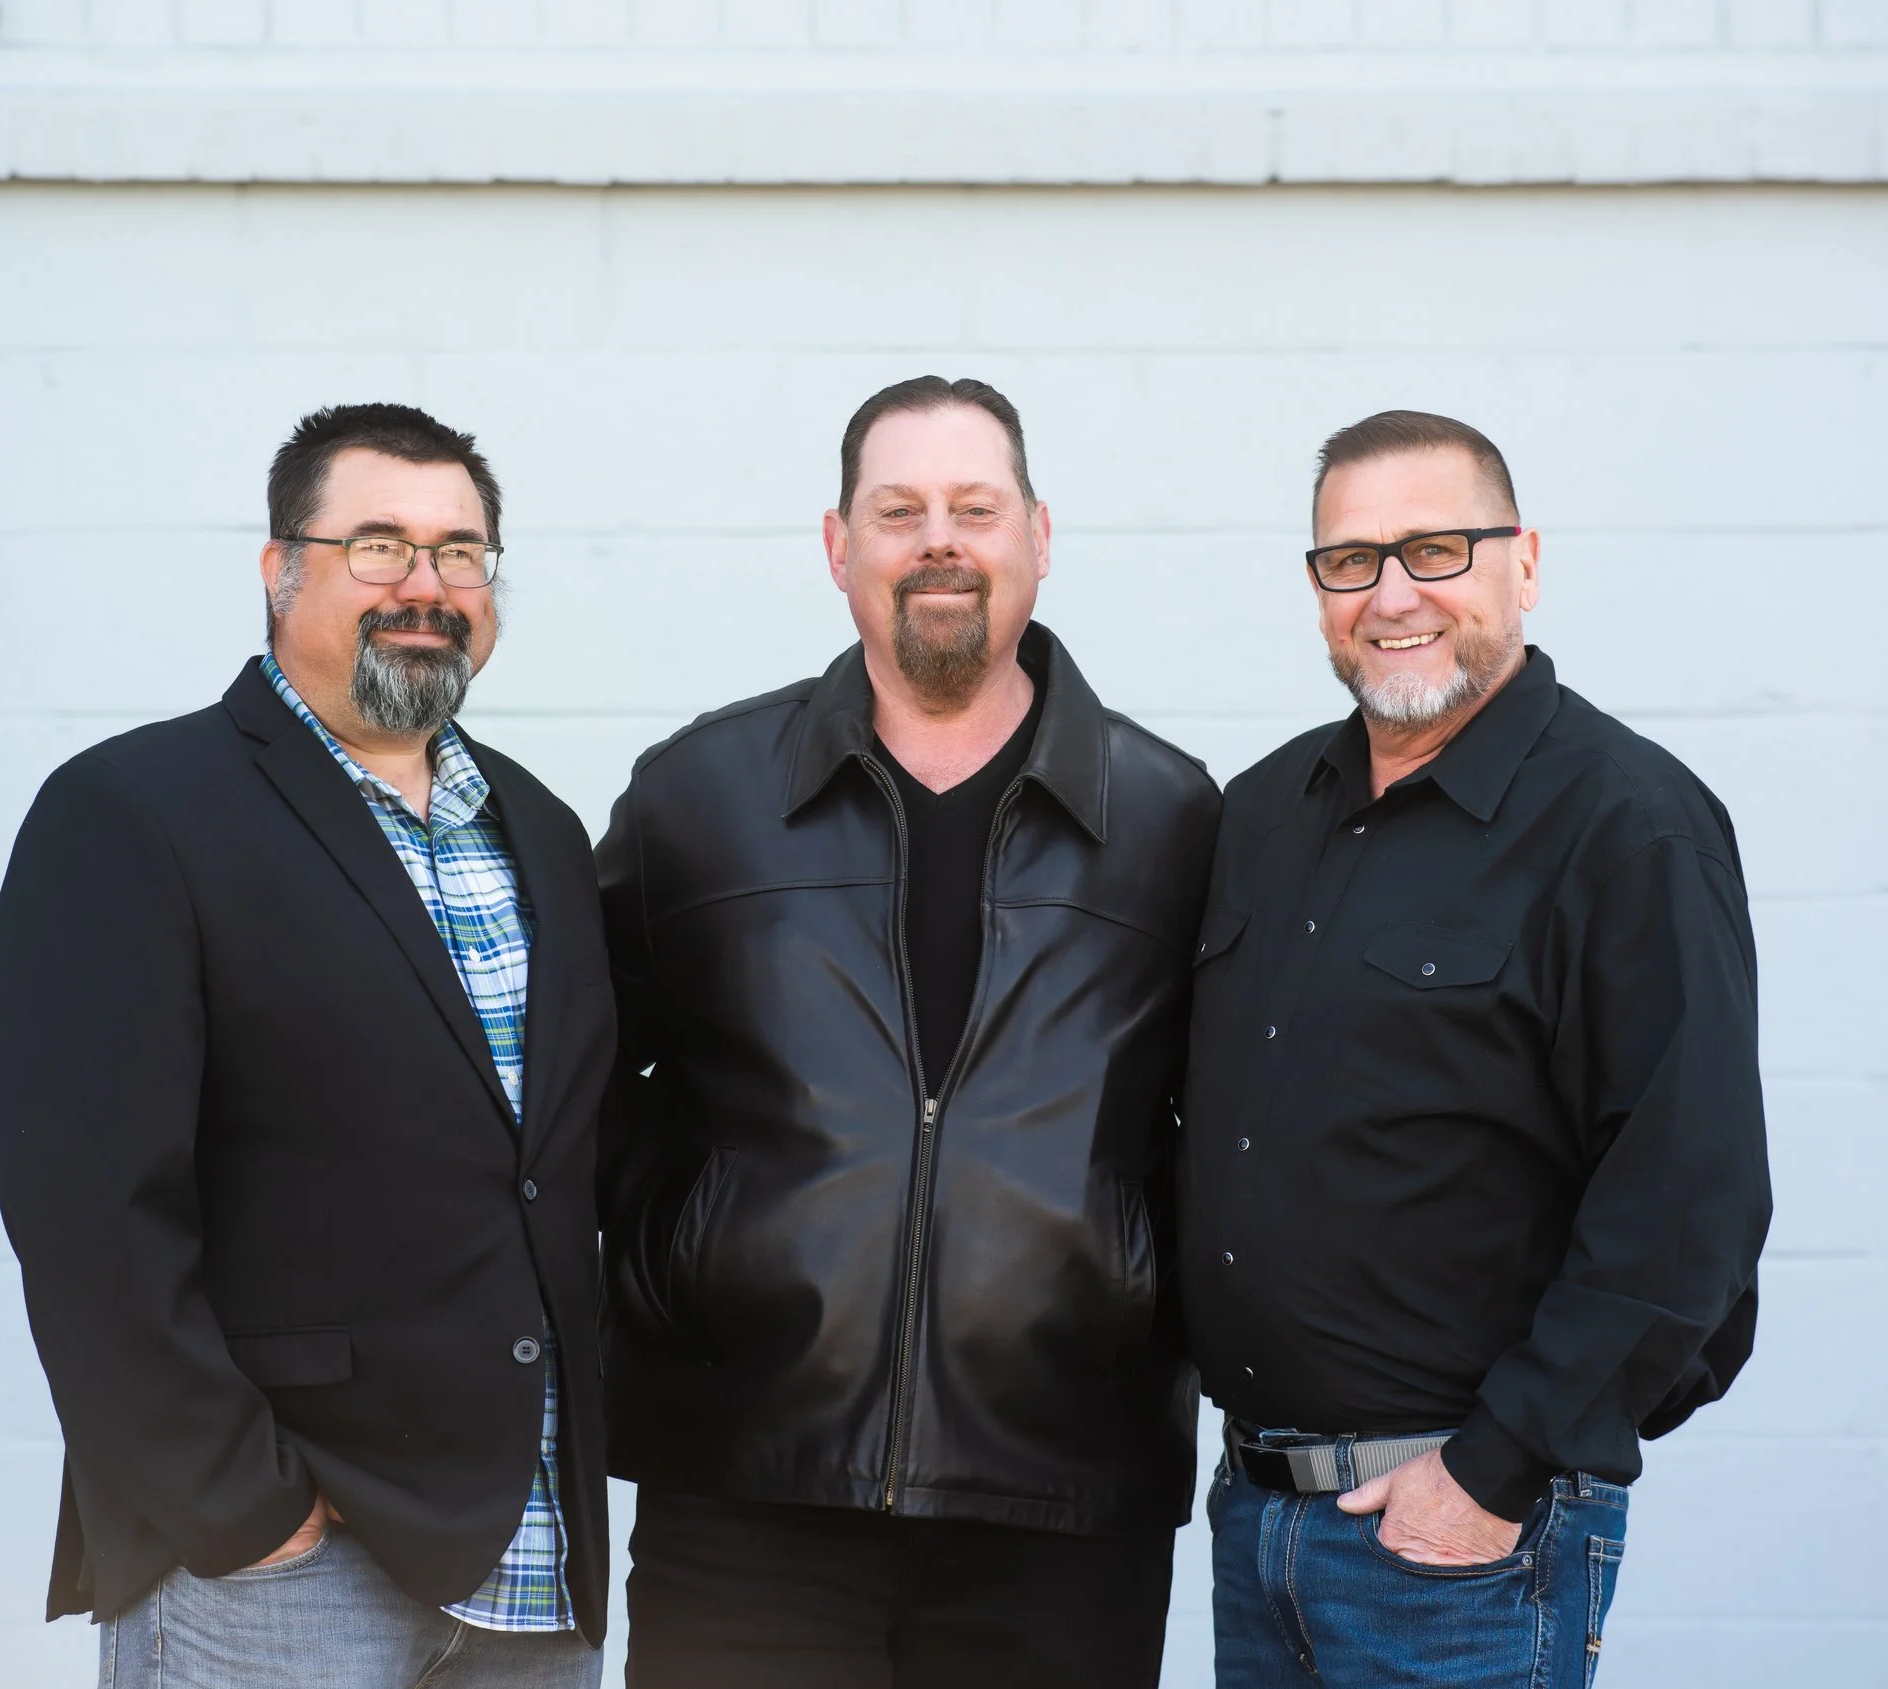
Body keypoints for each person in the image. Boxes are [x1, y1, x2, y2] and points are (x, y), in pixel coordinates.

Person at [595, 377, 1219, 1688]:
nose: (940, 540)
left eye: (974, 508)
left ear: (1037, 537)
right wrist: (684, 1257)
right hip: (745, 1489)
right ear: (840, 547)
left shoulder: (1173, 820)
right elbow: (573, 1078)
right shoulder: (699, 795)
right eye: (899, 511)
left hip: (1063, 1507)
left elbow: (1231, 1121)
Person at [0, 403, 611, 1687]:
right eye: (377, 545)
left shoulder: (540, 830)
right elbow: (88, 1213)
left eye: (460, 551)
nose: (425, 585)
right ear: (280, 570)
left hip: (534, 1552)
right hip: (280, 1566)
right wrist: (242, 1511)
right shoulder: (136, 812)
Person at [1182, 410, 1771, 1688]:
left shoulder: (1628, 824)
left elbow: (1689, 1206)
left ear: (1525, 562)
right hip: (1258, 1519)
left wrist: (1493, 1471)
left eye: (1436, 549)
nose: (1393, 595)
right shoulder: (1264, 813)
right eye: (1351, 560)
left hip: (1460, 1552)